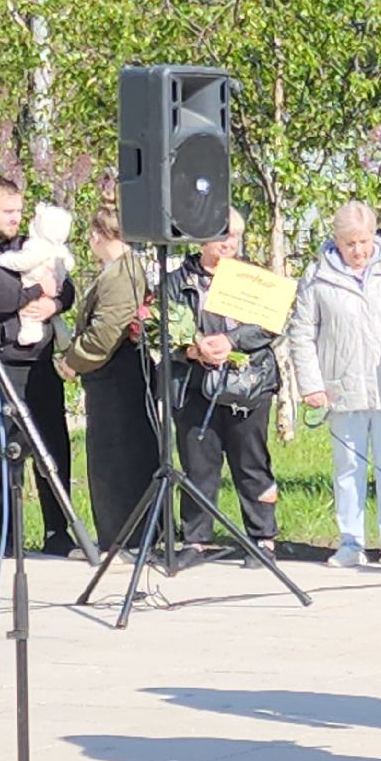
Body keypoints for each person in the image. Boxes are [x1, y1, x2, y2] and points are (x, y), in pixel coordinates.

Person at [288, 201, 381, 567]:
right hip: (341, 387)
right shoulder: (317, 275)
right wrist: (311, 385)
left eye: (365, 241)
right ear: (337, 240)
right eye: (351, 243)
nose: (359, 250)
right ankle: (351, 543)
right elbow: (302, 333)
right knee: (348, 467)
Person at [167, 210, 283, 566]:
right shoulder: (176, 280)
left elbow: (271, 325)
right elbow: (160, 323)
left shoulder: (255, 278)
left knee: (251, 462)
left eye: (235, 236)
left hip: (249, 385)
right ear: (201, 238)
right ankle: (196, 539)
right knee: (198, 462)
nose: (229, 243)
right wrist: (191, 347)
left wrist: (230, 340)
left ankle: (263, 538)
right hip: (195, 383)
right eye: (222, 236)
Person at [0, 176, 76, 556]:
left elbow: (66, 288)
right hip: (0, 362)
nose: (15, 219)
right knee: (5, 449)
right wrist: (39, 291)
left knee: (53, 445)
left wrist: (54, 304)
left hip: (40, 362)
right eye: (8, 212)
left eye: (20, 212)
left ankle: (58, 532)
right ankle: (9, 536)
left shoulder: (32, 244)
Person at [56, 205, 154, 556]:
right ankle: (122, 538)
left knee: (115, 462)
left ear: (100, 235)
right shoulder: (118, 270)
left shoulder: (121, 274)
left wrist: (72, 361)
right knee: (115, 459)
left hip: (114, 377)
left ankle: (120, 541)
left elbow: (106, 332)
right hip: (113, 376)